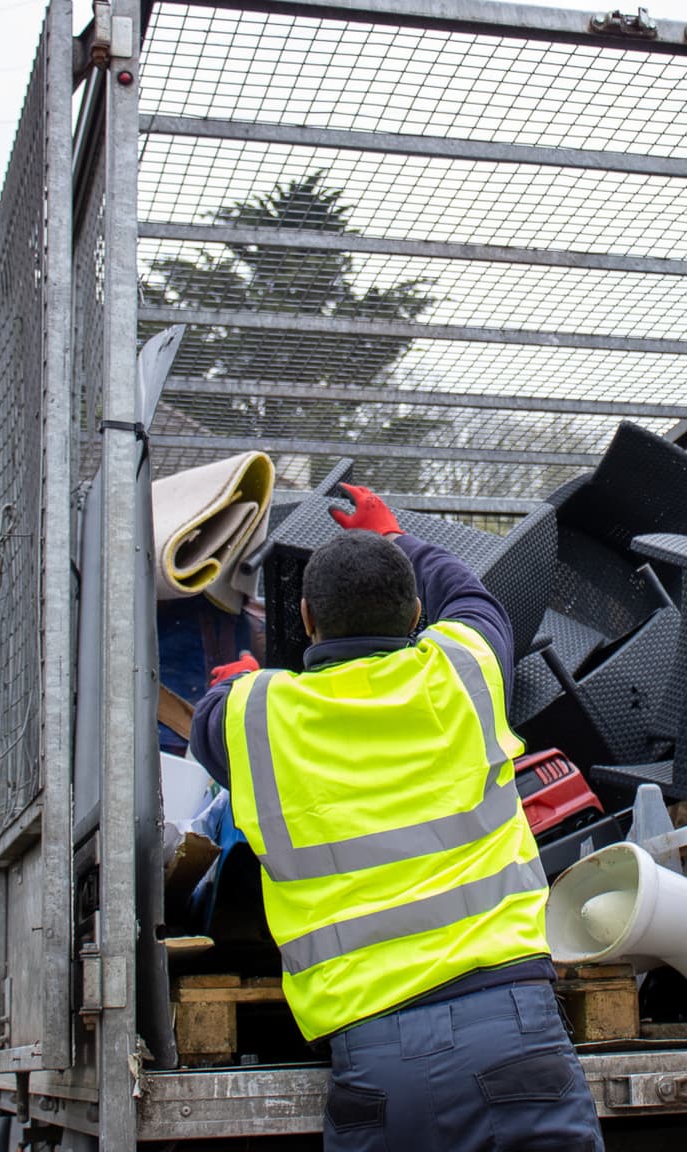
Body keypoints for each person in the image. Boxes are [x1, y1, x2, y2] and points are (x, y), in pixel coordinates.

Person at [189, 485, 604, 1151]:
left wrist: (238, 683)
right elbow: (473, 600)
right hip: (515, 1026)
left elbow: (212, 711)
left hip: (378, 1056)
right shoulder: (462, 671)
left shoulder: (256, 717)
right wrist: (397, 540)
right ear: (415, 612)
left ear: (305, 618)